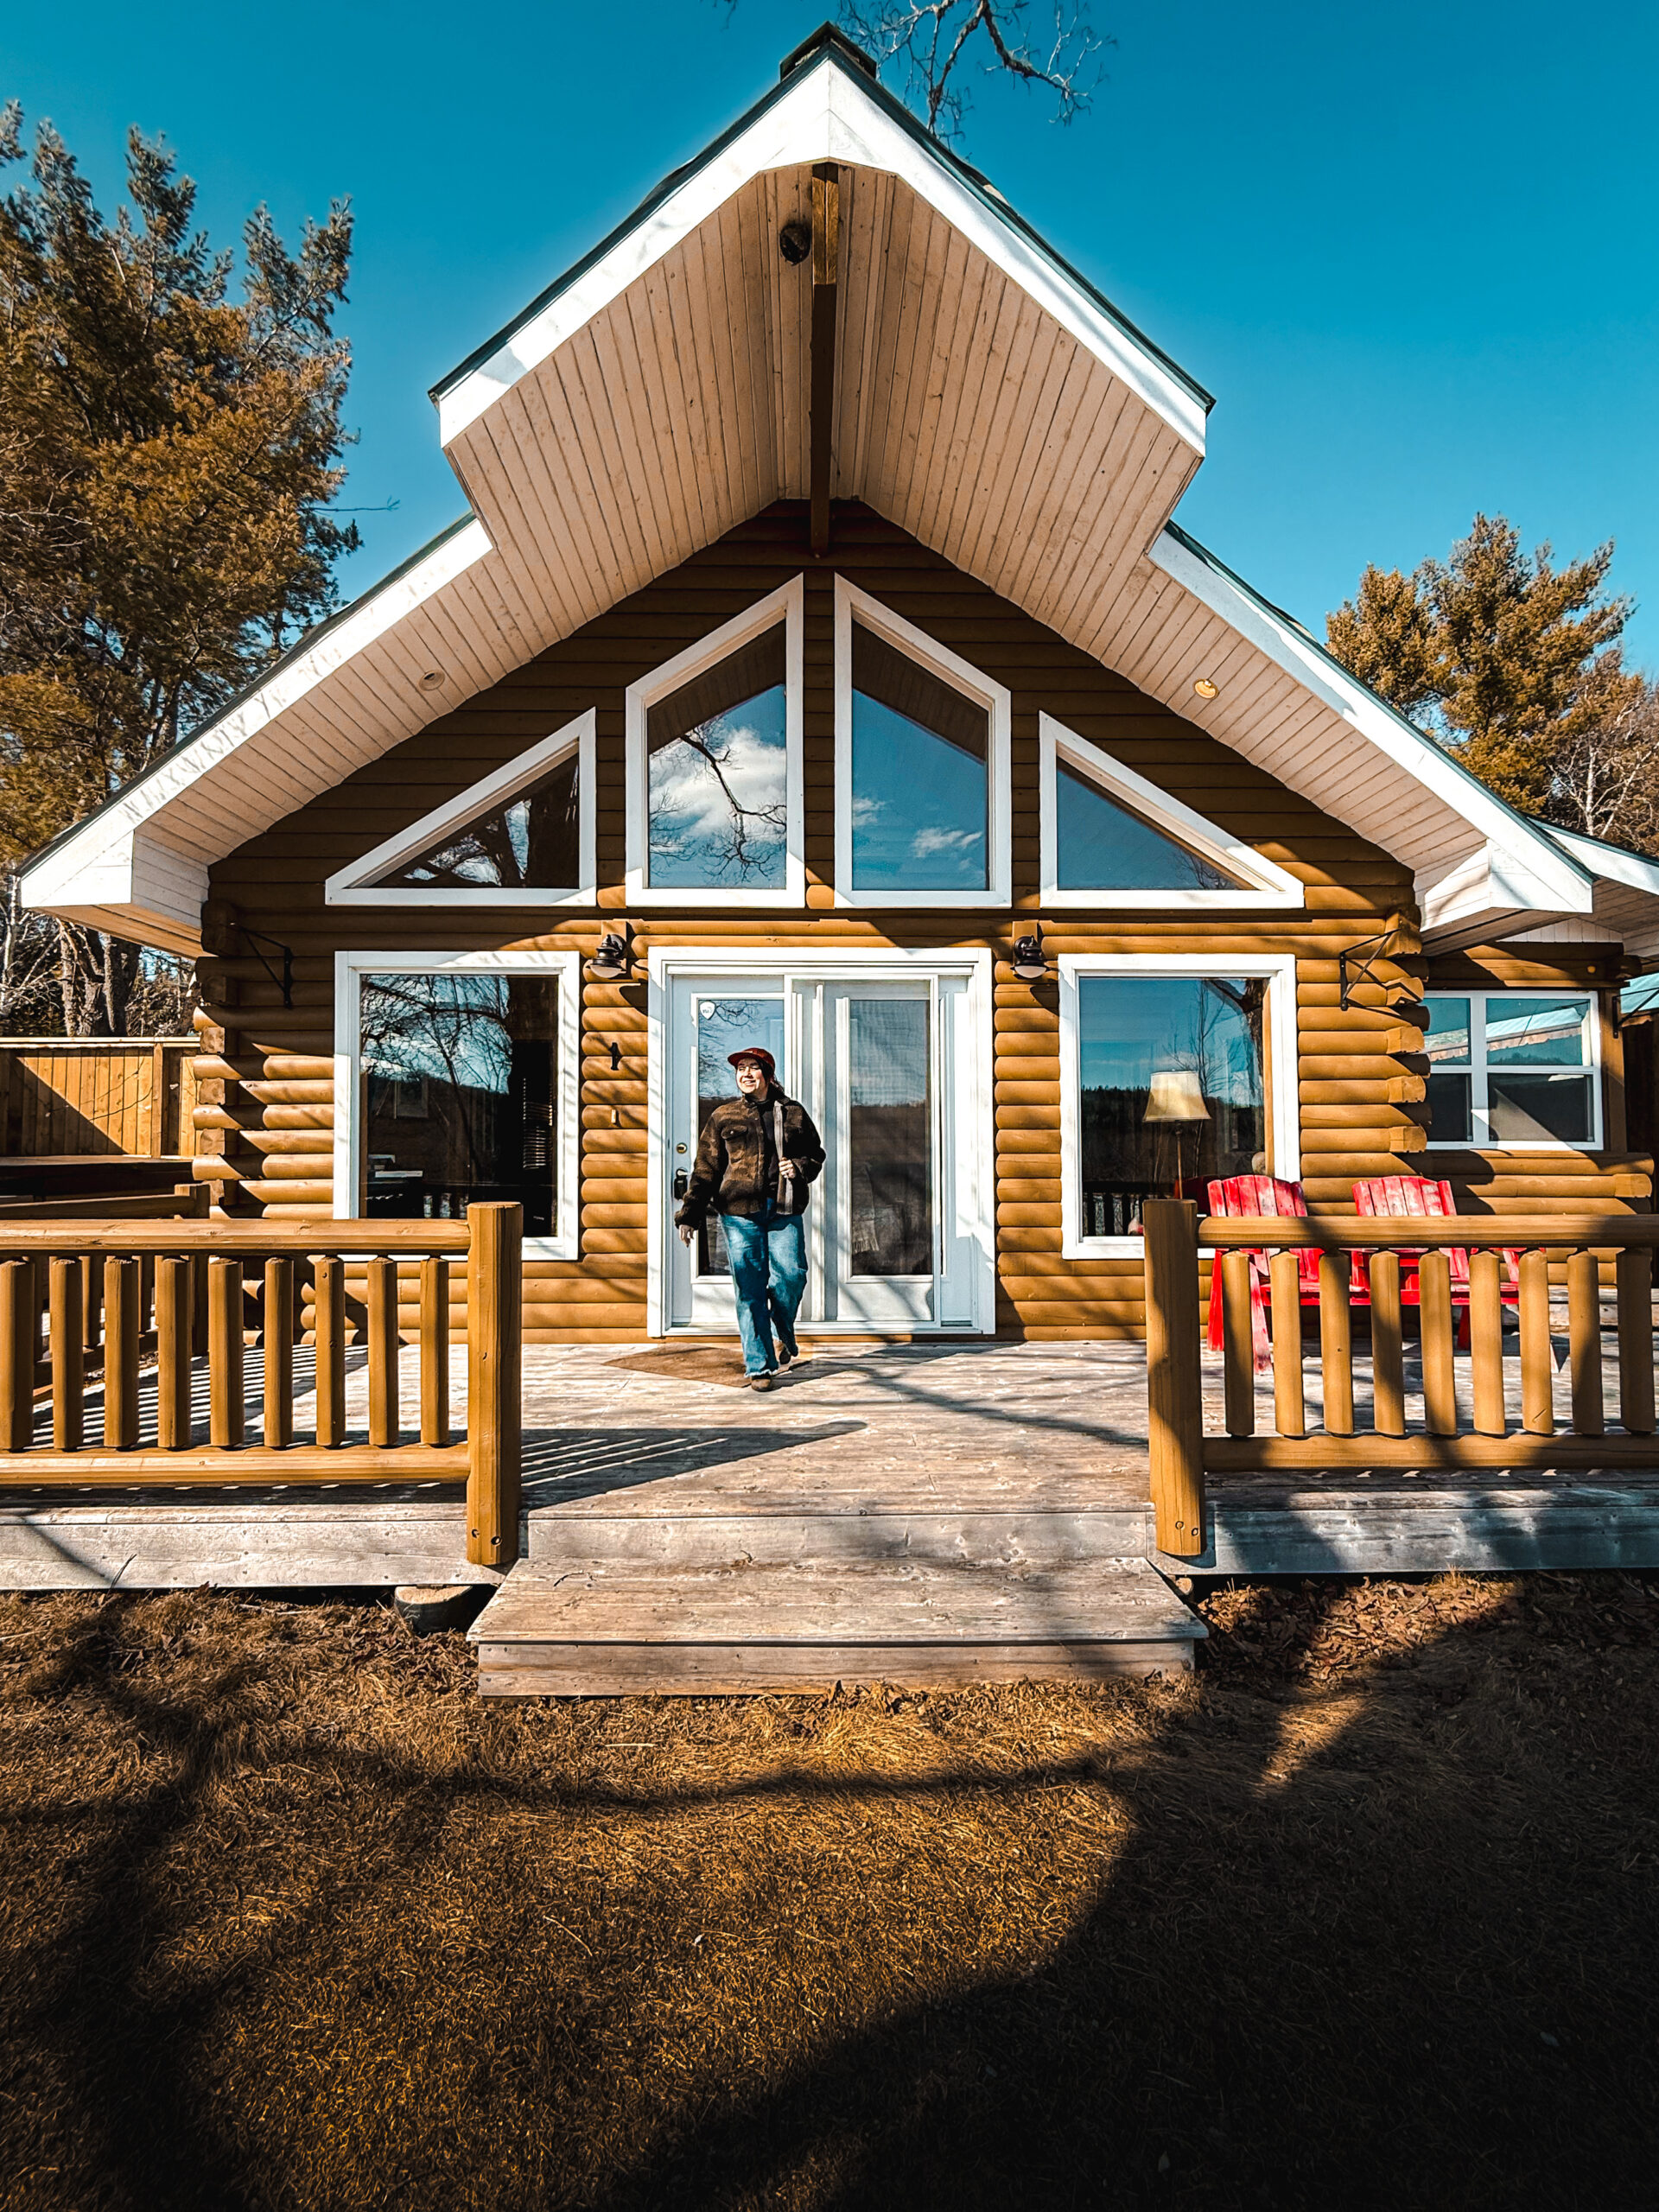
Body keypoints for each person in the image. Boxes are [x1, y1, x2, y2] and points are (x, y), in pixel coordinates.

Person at [675, 1046, 824, 1389]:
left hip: (783, 1209)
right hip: (739, 1214)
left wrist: (799, 1167)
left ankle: (779, 1332)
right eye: (740, 1069)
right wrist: (690, 1213)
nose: (745, 1074)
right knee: (750, 1288)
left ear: (767, 1075)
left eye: (752, 1068)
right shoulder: (724, 1116)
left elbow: (816, 1154)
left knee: (792, 1276)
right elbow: (706, 1169)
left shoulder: (793, 1113)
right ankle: (759, 1366)